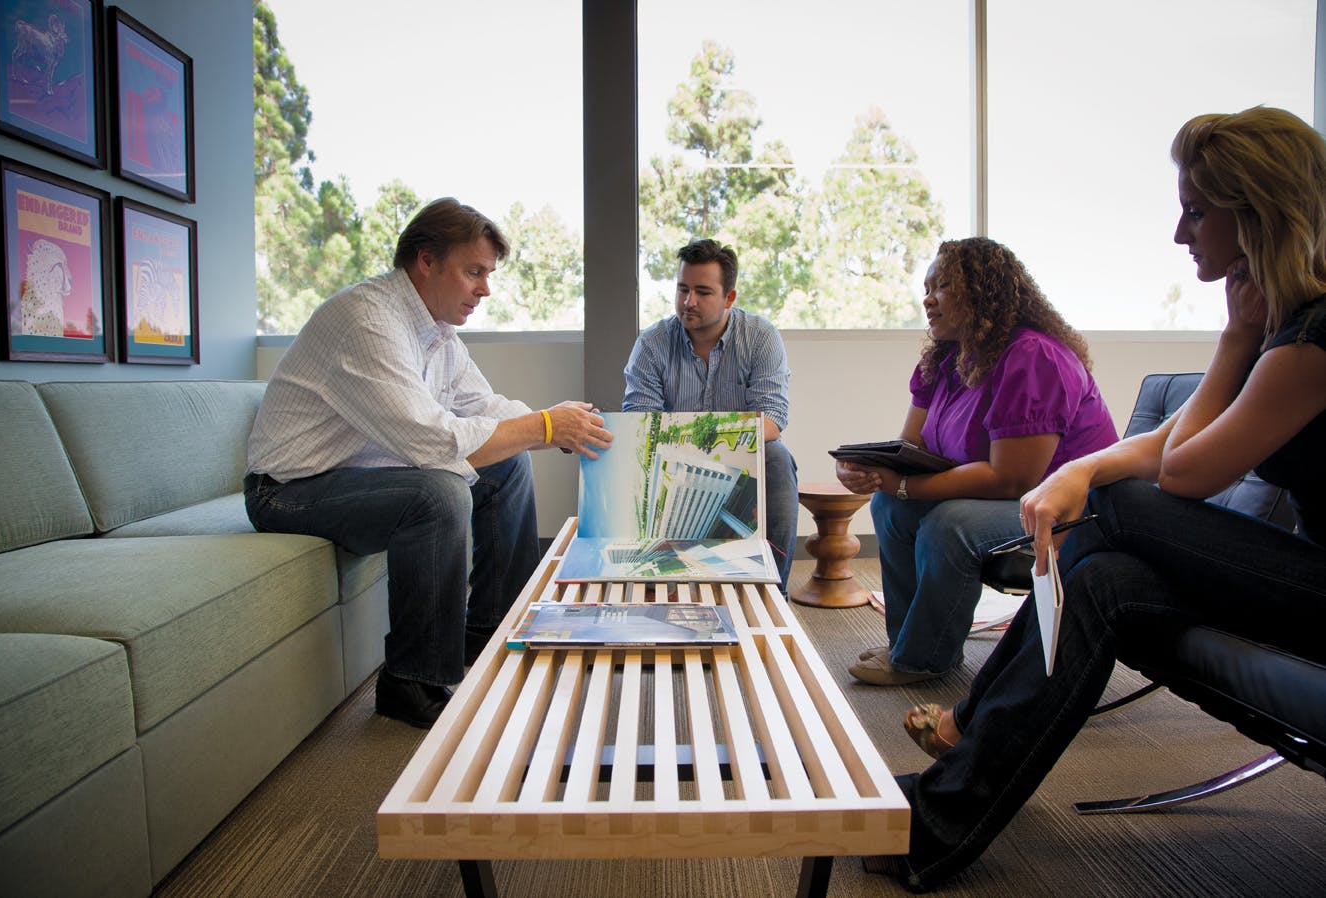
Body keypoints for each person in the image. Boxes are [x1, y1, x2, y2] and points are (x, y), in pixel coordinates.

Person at [886, 106, 1326, 891]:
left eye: (1196, 210)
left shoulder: (1313, 342)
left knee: (1110, 511)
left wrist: (1230, 343)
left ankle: (963, 727)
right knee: (1102, 577)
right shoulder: (1285, 329)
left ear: (1257, 212)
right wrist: (1077, 474)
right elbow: (1164, 446)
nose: (1180, 232)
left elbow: (1187, 472)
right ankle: (938, 818)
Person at [244, 197, 613, 730]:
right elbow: (433, 442)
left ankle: (489, 632)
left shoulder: (438, 333)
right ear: (426, 260)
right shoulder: (366, 320)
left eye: (488, 275)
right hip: (287, 490)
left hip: (361, 476)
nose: (485, 289)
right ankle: (410, 681)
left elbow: (485, 410)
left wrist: (556, 427)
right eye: (473, 272)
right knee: (438, 493)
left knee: (507, 465)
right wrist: (545, 426)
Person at [835, 237, 1117, 686]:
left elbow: (1012, 479)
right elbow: (910, 446)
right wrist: (866, 468)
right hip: (1014, 500)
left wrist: (903, 484)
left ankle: (923, 658)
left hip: (1070, 511)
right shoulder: (947, 358)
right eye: (926, 287)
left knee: (950, 522)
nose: (927, 299)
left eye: (942, 286)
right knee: (890, 507)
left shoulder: (1033, 357)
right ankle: (909, 641)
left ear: (984, 292)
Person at [623, 238, 799, 591]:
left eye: (702, 292)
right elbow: (641, 423)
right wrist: (699, 441)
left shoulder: (760, 337)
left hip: (742, 462)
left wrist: (702, 439)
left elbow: (772, 419)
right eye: (682, 289)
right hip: (669, 463)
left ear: (729, 298)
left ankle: (772, 593)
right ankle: (649, 580)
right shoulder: (653, 342)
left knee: (778, 459)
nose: (688, 302)